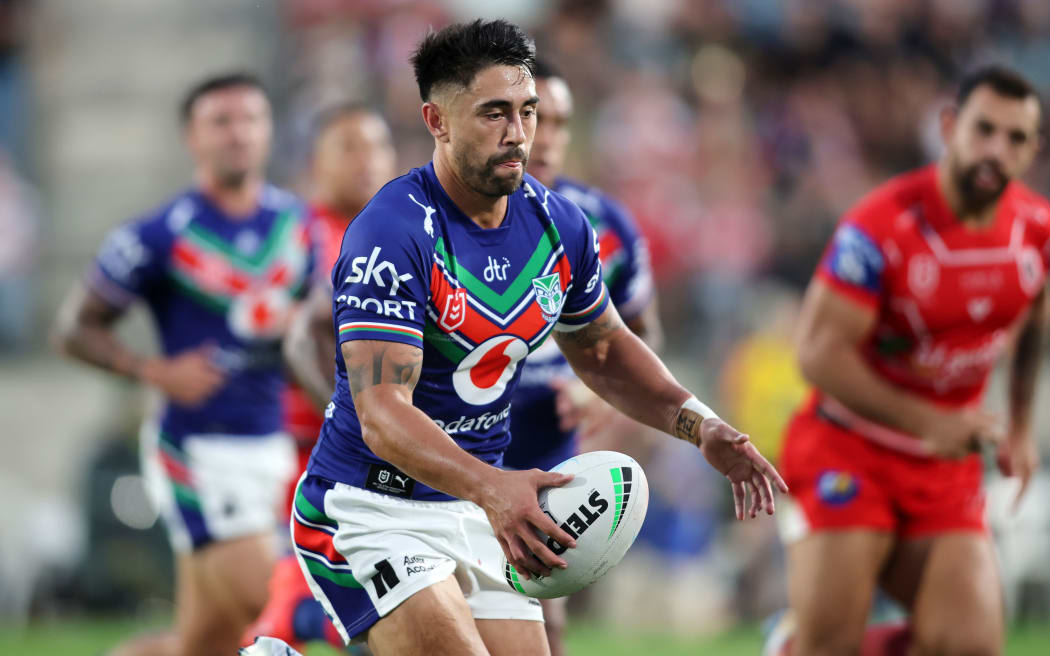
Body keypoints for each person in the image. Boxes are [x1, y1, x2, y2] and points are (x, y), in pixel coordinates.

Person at [288, 19, 785, 656]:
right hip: (368, 509)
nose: (519, 134)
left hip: (475, 506)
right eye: (493, 114)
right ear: (436, 120)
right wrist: (495, 490)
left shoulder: (560, 225)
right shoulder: (392, 231)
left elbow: (604, 348)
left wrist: (699, 425)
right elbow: (383, 417)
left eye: (526, 112)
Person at [774, 65, 1046, 656]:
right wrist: (927, 420)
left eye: (1016, 138)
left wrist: (1020, 427)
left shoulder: (1035, 232)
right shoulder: (881, 225)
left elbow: (1033, 328)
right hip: (848, 449)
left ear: (1034, 150)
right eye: (984, 129)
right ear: (950, 127)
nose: (996, 150)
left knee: (972, 646)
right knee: (831, 645)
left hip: (943, 468)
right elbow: (817, 353)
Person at [52, 73, 316, 656]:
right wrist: (152, 371)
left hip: (270, 445)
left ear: (269, 132)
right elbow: (73, 330)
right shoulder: (158, 233)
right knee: (289, 609)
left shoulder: (297, 226)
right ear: (191, 138)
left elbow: (314, 334)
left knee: (201, 646)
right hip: (195, 452)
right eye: (220, 121)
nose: (237, 134)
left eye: (250, 119)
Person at [499, 57, 661, 656]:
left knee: (545, 632)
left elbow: (643, 336)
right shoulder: (440, 217)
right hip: (451, 459)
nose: (546, 138)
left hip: (549, 459)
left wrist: (598, 390)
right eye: (533, 117)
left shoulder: (603, 226)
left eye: (558, 121)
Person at [242, 103, 396, 653]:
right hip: (311, 445)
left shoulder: (399, 230)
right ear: (315, 163)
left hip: (381, 446)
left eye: (375, 146)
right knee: (354, 587)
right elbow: (286, 336)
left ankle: (283, 625)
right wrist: (350, 410)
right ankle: (289, 623)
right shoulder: (300, 234)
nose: (366, 160)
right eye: (348, 147)